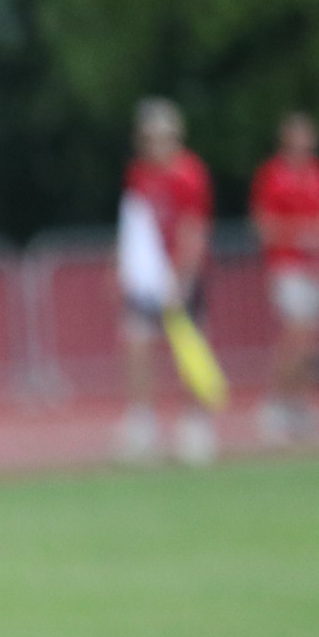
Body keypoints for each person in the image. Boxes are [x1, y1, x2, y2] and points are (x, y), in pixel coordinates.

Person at [115, 98, 216, 464]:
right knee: (137, 345)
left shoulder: (190, 173)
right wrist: (125, 268)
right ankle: (143, 425)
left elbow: (194, 226)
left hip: (180, 273)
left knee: (189, 348)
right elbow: (135, 225)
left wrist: (183, 276)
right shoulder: (139, 174)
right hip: (148, 277)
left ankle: (195, 426)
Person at [249, 111, 319, 444]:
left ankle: (299, 403)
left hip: (317, 268)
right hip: (288, 265)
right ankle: (275, 402)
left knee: (310, 344)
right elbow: (263, 225)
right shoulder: (272, 175)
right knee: (296, 337)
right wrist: (300, 234)